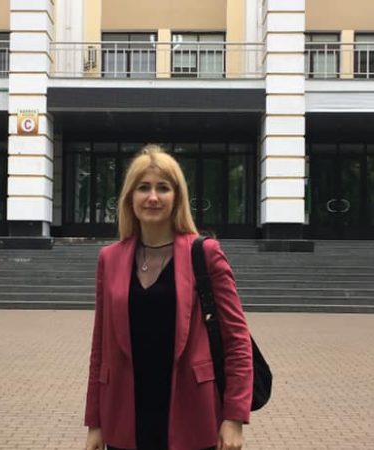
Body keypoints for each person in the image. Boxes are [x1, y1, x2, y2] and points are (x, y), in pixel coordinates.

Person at [84, 145, 253, 450]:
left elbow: (237, 340)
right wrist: (95, 421)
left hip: (192, 411)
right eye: (143, 188)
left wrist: (234, 417)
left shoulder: (205, 253)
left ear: (177, 197)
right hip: (126, 414)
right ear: (130, 197)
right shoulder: (109, 258)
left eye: (163, 188)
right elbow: (100, 346)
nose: (153, 197)